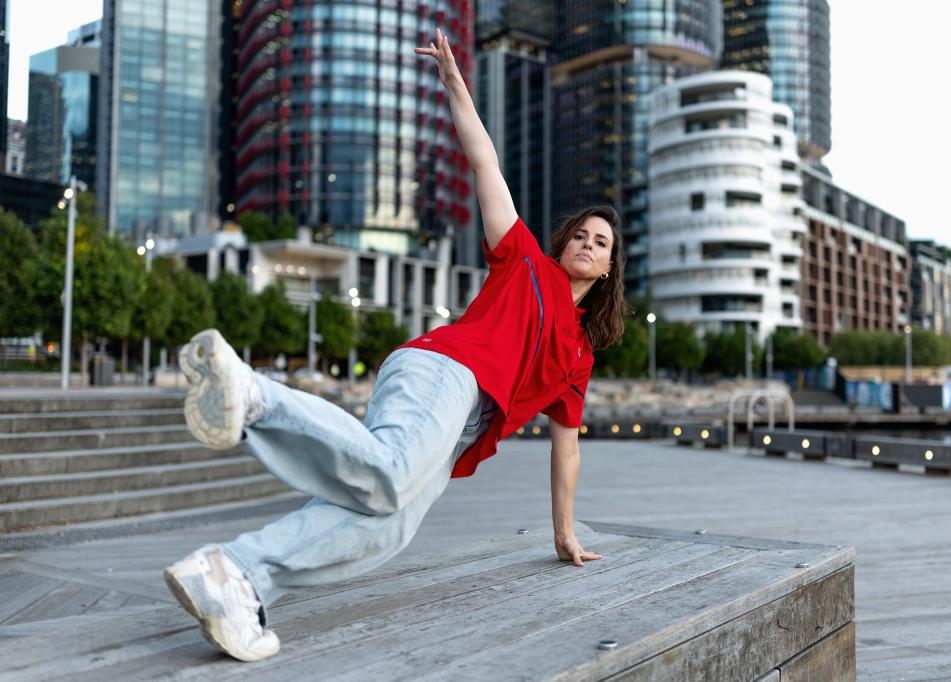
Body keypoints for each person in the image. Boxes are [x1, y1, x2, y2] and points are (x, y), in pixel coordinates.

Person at [162, 28, 628, 662]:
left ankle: (235, 575)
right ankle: (254, 396)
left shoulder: (578, 355)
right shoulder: (523, 263)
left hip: (460, 426)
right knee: (390, 474)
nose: (587, 244)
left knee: (386, 526)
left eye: (600, 244)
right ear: (562, 242)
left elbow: (566, 449)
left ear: (607, 272)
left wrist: (564, 534)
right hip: (443, 372)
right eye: (581, 234)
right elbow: (485, 163)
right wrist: (456, 87)